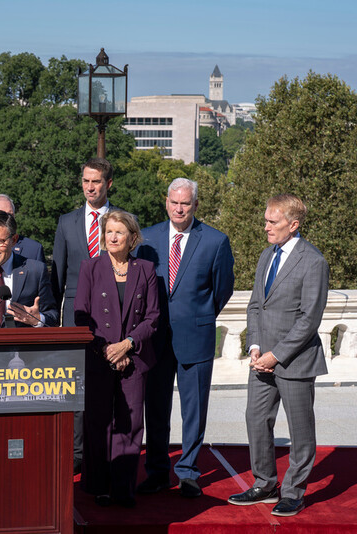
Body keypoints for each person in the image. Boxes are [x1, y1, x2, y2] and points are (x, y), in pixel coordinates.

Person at [228, 194, 329, 516]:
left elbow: (309, 320)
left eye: (273, 222)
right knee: (256, 420)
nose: (266, 227)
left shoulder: (314, 261)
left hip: (296, 361)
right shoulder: (266, 255)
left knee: (301, 430)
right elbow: (256, 305)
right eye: (266, 220)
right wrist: (255, 346)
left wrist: (277, 354)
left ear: (293, 224)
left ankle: (294, 492)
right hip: (262, 359)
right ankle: (264, 484)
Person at [136, 178, 235, 498]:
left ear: (195, 205)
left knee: (194, 408)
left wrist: (200, 317)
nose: (179, 209)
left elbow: (222, 290)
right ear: (166, 202)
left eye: (186, 203)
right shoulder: (147, 238)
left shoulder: (215, 241)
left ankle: (189, 471)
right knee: (156, 408)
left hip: (196, 335)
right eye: (174, 202)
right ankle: (157, 471)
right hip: (155, 339)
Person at [74, 210, 159, 508]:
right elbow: (81, 315)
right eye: (108, 231)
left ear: (132, 238)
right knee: (98, 422)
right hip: (99, 358)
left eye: (119, 232)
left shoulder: (146, 269)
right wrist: (108, 351)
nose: (112, 237)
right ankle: (97, 484)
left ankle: (123, 489)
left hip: (134, 359)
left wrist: (127, 345)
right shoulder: (90, 268)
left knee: (131, 423)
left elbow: (152, 317)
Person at [52, 157, 115, 473]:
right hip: (74, 316)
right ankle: (77, 453)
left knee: (109, 387)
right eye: (86, 181)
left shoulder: (123, 221)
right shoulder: (66, 222)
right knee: (74, 387)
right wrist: (52, 321)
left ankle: (108, 451)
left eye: (96, 182)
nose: (90, 187)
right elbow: (57, 277)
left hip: (113, 315)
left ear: (108, 185)